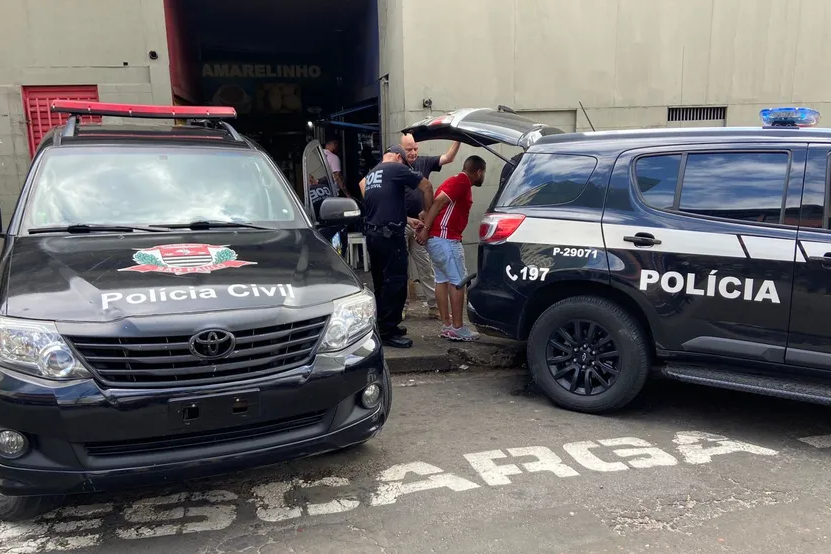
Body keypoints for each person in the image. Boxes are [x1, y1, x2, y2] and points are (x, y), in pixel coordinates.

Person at [360, 145, 434, 348]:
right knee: (397, 282)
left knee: (382, 282)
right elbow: (426, 187)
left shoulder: (373, 173)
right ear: (399, 158)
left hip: (374, 234)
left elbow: (382, 201)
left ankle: (385, 325)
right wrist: (427, 215)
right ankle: (387, 332)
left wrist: (407, 220)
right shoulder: (396, 168)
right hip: (390, 237)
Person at [417, 155, 486, 341]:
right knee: (458, 282)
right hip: (445, 239)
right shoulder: (462, 181)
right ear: (479, 172)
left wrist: (426, 222)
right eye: (483, 173)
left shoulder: (455, 180)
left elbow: (433, 204)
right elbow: (439, 202)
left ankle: (447, 325)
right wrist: (425, 229)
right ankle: (458, 327)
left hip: (439, 239)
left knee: (442, 280)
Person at [400, 134, 461, 320]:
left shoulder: (424, 162)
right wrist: (405, 218)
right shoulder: (395, 168)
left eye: (415, 148)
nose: (412, 152)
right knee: (402, 267)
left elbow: (448, 157)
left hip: (420, 225)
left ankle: (433, 306)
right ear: (400, 149)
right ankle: (402, 306)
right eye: (408, 149)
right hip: (401, 222)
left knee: (425, 265)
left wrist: (457, 137)